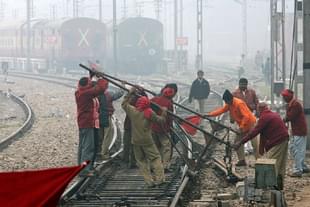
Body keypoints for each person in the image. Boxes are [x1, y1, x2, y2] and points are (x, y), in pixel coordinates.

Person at [233, 103, 289, 190]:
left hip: (278, 140)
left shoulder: (264, 117)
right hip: (284, 138)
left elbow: (254, 132)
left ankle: (271, 186)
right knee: (280, 163)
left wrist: (240, 142)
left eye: (257, 110)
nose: (257, 112)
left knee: (271, 163)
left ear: (260, 110)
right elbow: (262, 133)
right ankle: (279, 185)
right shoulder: (272, 114)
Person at [122, 88, 167, 187]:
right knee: (155, 158)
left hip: (136, 141)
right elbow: (161, 121)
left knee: (141, 161)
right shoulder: (149, 112)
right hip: (147, 140)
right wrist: (164, 112)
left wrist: (130, 93)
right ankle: (160, 179)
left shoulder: (133, 111)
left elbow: (124, 104)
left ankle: (149, 181)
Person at [207, 90, 256, 166]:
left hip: (250, 124)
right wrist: (210, 114)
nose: (226, 103)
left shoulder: (239, 103)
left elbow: (246, 116)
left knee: (255, 144)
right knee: (237, 142)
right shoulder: (229, 104)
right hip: (243, 126)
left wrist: (241, 127)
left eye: (227, 101)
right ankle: (242, 160)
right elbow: (221, 110)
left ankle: (259, 161)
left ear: (230, 99)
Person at [75, 75, 108, 176]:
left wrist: (93, 77)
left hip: (85, 122)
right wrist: (101, 78)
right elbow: (101, 88)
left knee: (83, 146)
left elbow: (95, 88)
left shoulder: (80, 91)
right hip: (87, 123)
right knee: (88, 147)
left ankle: (81, 168)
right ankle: (84, 170)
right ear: (87, 85)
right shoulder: (86, 93)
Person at [281, 89, 309, 177]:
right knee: (295, 149)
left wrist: (281, 120)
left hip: (299, 131)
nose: (283, 99)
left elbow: (289, 117)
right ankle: (303, 166)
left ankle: (298, 170)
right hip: (297, 130)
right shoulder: (292, 103)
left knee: (297, 150)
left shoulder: (295, 104)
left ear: (288, 97)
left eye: (284, 97)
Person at [233, 78, 259, 158]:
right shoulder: (234, 94)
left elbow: (257, 102)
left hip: (250, 118)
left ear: (247, 85)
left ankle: (258, 159)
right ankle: (241, 159)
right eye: (241, 85)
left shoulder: (252, 92)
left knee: (253, 138)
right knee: (238, 140)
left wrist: (257, 111)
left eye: (244, 85)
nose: (243, 86)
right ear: (239, 84)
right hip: (240, 119)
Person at [151, 86, 176, 171]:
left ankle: (154, 165)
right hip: (163, 129)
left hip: (153, 127)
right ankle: (165, 166)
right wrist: (170, 127)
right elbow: (170, 117)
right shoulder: (169, 103)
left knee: (155, 147)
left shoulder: (154, 99)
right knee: (166, 147)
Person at [123, 88, 148, 168]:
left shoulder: (134, 100)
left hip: (132, 126)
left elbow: (125, 103)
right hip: (133, 126)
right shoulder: (135, 100)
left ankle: (129, 162)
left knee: (131, 145)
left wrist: (131, 93)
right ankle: (129, 162)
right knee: (131, 145)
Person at [97, 88, 124, 161]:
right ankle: (104, 153)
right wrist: (122, 86)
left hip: (97, 117)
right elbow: (118, 94)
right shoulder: (108, 94)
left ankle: (100, 152)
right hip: (106, 116)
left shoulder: (95, 94)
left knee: (101, 135)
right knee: (108, 136)